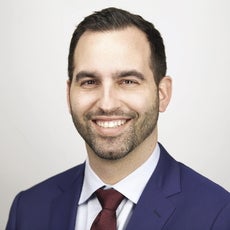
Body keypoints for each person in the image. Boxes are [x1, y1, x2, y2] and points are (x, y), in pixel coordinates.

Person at [6, 7, 230, 230]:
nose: (107, 104)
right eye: (89, 82)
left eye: (128, 81)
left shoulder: (218, 215)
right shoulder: (27, 209)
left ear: (162, 93)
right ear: (68, 94)